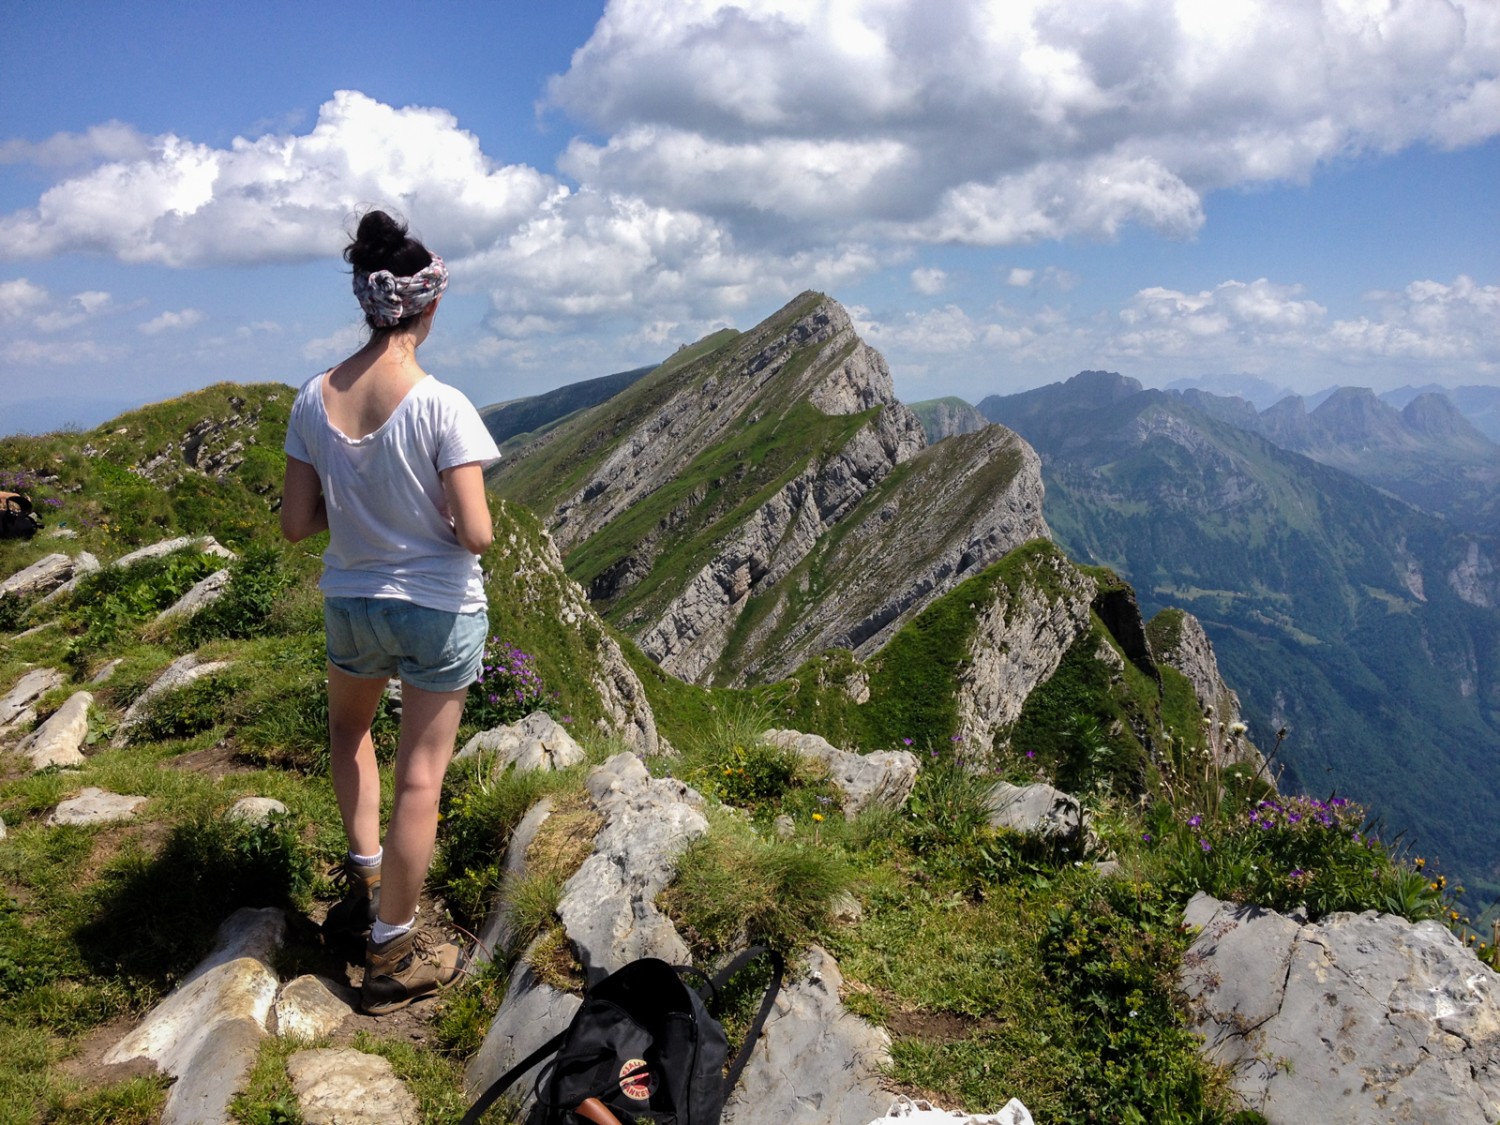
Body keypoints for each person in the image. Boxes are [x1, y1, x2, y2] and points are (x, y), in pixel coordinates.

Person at [280, 210, 501, 1014]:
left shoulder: (314, 398)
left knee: (350, 733)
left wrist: (363, 513)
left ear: (369, 304)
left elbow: (297, 523)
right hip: (437, 606)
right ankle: (395, 947)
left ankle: (365, 881)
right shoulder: (443, 405)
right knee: (421, 776)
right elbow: (474, 531)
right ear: (426, 307)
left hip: (352, 601)